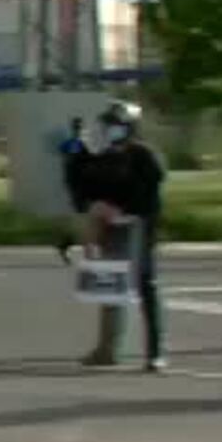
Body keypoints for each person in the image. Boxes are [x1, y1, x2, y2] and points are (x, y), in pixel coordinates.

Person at [80, 100, 167, 373]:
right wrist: (94, 212)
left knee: (146, 286)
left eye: (114, 125)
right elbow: (89, 192)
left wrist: (126, 210)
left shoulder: (144, 156)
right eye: (107, 125)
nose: (109, 130)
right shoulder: (104, 157)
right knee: (108, 286)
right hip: (110, 228)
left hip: (137, 226)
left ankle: (156, 352)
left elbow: (150, 195)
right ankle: (107, 348)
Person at [56, 117, 91, 264]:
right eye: (78, 128)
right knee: (84, 220)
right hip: (78, 186)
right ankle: (67, 244)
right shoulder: (75, 145)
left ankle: (68, 244)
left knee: (84, 219)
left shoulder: (76, 144)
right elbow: (75, 163)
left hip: (80, 186)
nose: (79, 131)